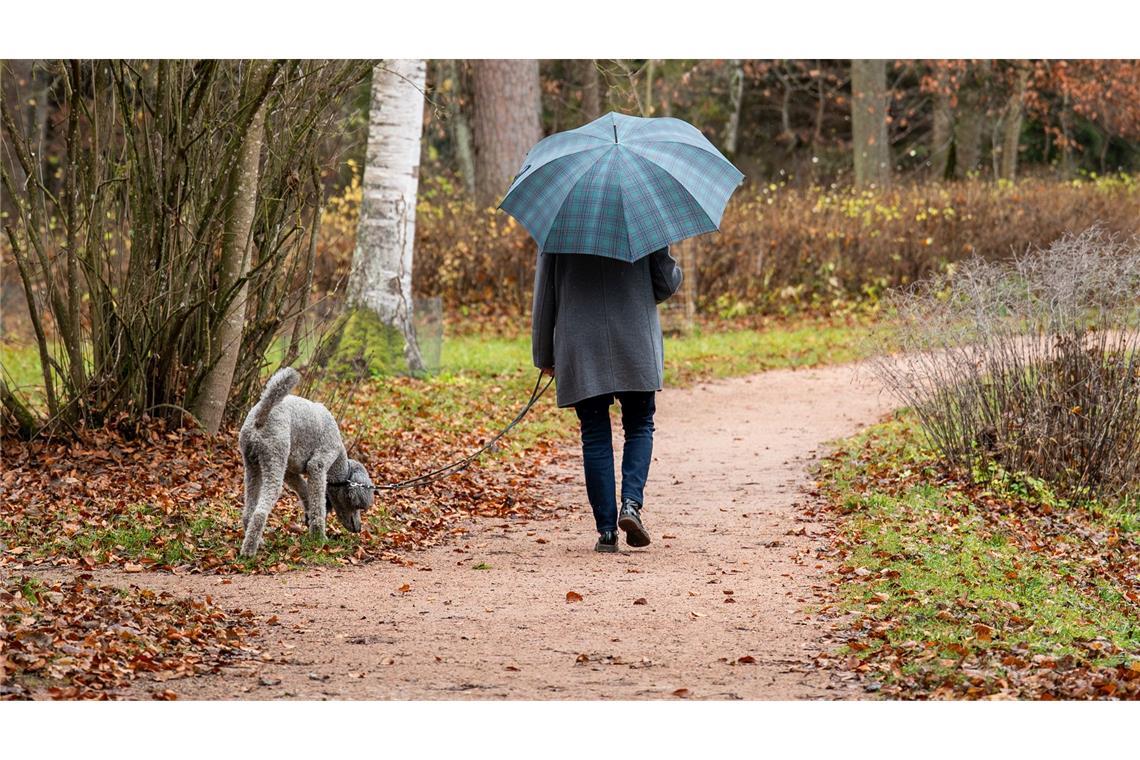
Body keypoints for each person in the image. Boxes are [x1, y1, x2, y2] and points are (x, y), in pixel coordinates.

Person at [531, 246, 684, 552]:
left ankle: (606, 533)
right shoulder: (642, 218)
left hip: (581, 341)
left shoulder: (562, 223)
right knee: (640, 424)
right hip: (635, 338)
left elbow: (545, 295)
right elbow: (665, 285)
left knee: (594, 434)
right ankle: (631, 505)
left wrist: (544, 353)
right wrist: (666, 253)